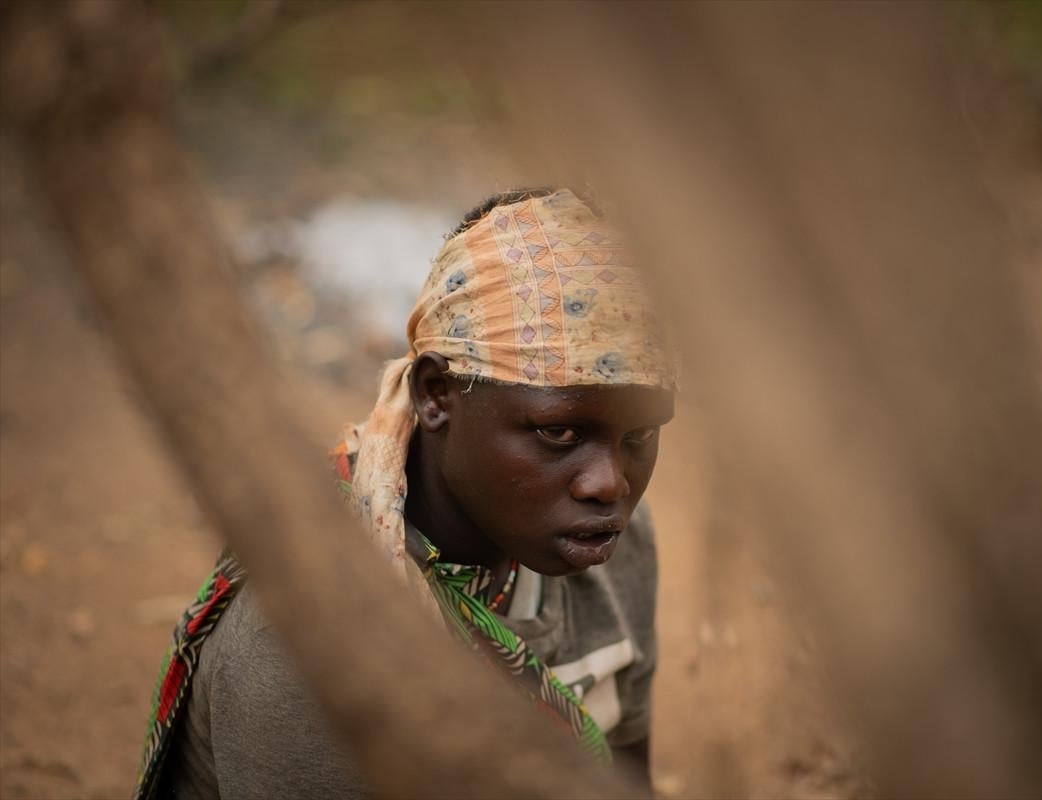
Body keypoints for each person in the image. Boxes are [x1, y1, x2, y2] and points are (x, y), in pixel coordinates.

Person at [134, 188, 679, 799]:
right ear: (436, 394)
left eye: (640, 435)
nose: (609, 483)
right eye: (558, 432)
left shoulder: (613, 549)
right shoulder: (308, 638)